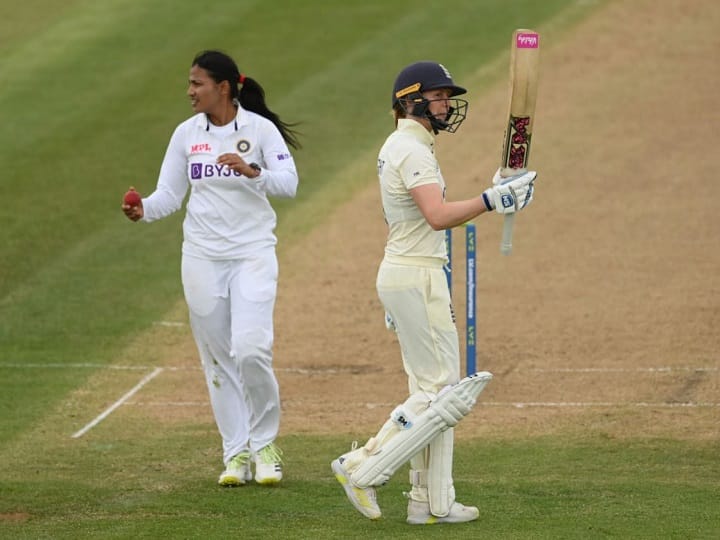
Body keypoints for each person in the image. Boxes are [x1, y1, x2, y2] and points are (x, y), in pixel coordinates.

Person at [331, 61, 537, 524]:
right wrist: (491, 201)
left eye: (447, 96)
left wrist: (493, 191)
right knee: (441, 394)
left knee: (434, 390)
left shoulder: (405, 145)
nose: (448, 103)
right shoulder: (412, 150)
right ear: (411, 101)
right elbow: (437, 216)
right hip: (415, 276)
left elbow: (413, 216)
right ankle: (361, 466)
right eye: (440, 95)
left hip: (411, 272)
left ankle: (430, 502)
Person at [122, 50, 301, 487]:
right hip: (201, 256)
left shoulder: (260, 130)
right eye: (189, 83)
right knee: (218, 359)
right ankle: (236, 454)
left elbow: (289, 184)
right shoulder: (186, 135)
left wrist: (251, 171)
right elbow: (168, 195)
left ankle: (266, 447)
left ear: (223, 87)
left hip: (253, 253)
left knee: (251, 349)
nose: (189, 91)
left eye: (197, 83)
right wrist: (141, 209)